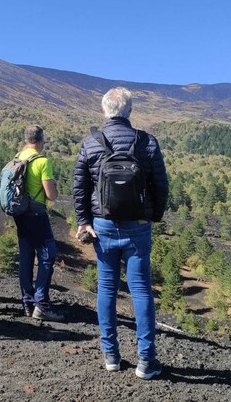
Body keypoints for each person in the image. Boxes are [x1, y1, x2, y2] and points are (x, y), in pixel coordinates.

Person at [73, 87, 169, 380]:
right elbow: (161, 186)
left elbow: (79, 187)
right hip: (138, 228)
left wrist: (83, 221)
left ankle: (111, 357)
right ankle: (146, 361)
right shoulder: (147, 142)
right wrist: (152, 217)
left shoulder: (91, 143)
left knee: (106, 289)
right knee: (141, 291)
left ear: (105, 111)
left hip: (102, 226)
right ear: (129, 111)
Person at [14, 125, 64, 322]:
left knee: (26, 256)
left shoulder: (18, 157)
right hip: (37, 214)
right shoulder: (42, 162)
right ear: (41, 140)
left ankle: (27, 301)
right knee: (47, 257)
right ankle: (41, 303)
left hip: (20, 214)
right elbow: (51, 195)